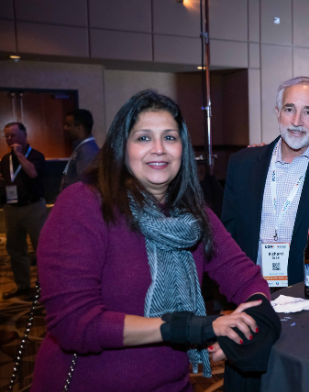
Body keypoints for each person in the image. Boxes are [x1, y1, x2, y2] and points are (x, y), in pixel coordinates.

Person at [33, 90, 277, 391]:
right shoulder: (84, 204)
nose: (159, 149)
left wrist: (242, 330)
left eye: (170, 138)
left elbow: (248, 279)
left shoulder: (194, 215)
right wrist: (189, 328)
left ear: (183, 149)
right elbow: (75, 324)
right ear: (122, 147)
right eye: (144, 138)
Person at [222, 76, 309, 288]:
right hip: (249, 292)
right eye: (289, 109)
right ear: (278, 113)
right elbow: (227, 239)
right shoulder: (242, 164)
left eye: (308, 112)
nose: (296, 121)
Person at [0, 122, 47, 300]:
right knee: (15, 249)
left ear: (24, 136)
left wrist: (19, 154)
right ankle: (22, 286)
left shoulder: (35, 156)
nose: (9, 139)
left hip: (33, 208)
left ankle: (45, 287)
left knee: (41, 249)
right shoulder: (5, 159)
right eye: (6, 136)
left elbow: (33, 173)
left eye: (12, 135)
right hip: (11, 208)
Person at [60, 108, 100, 191]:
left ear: (79, 128)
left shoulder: (87, 150)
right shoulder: (81, 147)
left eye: (68, 125)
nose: (65, 128)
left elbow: (84, 185)